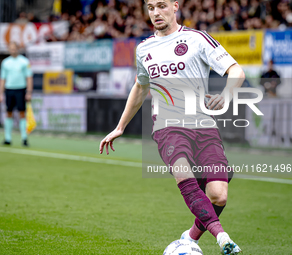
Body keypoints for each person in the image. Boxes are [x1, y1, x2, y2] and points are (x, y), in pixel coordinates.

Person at [99, 0, 245, 254]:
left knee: (219, 195)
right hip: (168, 127)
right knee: (184, 175)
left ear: (175, 7)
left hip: (204, 125)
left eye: (162, 6)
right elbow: (140, 86)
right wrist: (120, 126)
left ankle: (189, 238)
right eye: (151, 7)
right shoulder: (144, 49)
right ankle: (222, 237)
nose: (156, 12)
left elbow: (236, 71)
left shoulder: (198, 39)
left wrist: (228, 94)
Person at [0, 42, 33, 146]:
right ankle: (8, 138)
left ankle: (24, 138)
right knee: (9, 113)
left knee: (22, 113)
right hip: (9, 90)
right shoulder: (5, 62)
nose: (13, 50)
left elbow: (29, 77)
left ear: (18, 49)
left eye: (14, 48)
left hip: (21, 90)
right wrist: (0, 93)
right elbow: (2, 79)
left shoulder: (24, 61)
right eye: (11, 49)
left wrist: (29, 92)